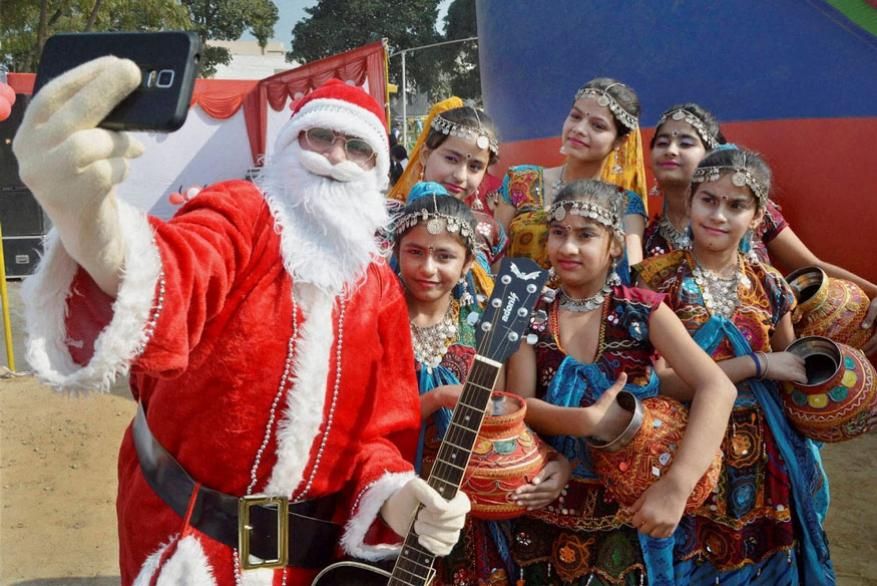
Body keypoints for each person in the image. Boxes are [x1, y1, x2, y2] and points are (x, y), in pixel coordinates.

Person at [12, 58, 470, 585]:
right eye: (319, 137)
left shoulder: (380, 288)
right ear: (289, 145)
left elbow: (379, 430)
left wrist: (396, 496)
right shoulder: (243, 212)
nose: (335, 158)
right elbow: (175, 272)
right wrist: (88, 220)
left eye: (358, 148)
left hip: (300, 557)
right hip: (185, 535)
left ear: (376, 170)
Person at [505, 179, 736, 584]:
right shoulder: (531, 310)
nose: (568, 247)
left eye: (585, 235)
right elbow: (520, 404)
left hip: (632, 514)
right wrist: (579, 426)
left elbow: (717, 387)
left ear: (614, 244)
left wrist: (677, 487)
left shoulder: (641, 311)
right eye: (558, 233)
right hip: (546, 505)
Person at [636, 148, 835, 584]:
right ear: (689, 200)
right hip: (685, 457)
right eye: (708, 200)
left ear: (758, 216)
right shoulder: (653, 281)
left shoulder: (771, 285)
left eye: (737, 205)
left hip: (768, 463)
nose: (719, 215)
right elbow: (658, 383)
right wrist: (755, 364)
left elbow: (794, 371)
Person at [646, 106, 877, 355]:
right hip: (692, 374)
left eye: (686, 143)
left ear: (710, 155)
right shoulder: (650, 248)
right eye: (662, 142)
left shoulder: (766, 269)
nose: (671, 150)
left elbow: (808, 264)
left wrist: (874, 293)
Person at [494, 78, 649, 278]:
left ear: (620, 140)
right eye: (576, 116)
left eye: (598, 126)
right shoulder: (521, 180)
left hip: (587, 308)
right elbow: (494, 258)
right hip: (512, 304)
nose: (579, 129)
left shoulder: (625, 203)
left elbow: (631, 277)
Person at [389, 98, 507, 270]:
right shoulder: (385, 221)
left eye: (475, 166)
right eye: (451, 159)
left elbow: (498, 294)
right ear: (425, 155)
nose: (460, 176)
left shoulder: (488, 231)